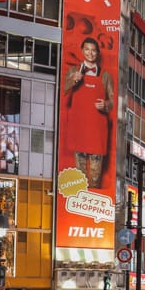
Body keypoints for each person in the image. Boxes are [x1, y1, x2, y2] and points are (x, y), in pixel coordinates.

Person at [61, 36, 114, 189]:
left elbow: (112, 101)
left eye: (93, 50)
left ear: (97, 53)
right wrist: (73, 80)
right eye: (87, 50)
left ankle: (93, 199)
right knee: (80, 172)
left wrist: (105, 104)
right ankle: (81, 199)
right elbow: (63, 91)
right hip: (79, 128)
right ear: (82, 51)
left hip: (97, 129)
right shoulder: (73, 70)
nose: (90, 53)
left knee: (96, 173)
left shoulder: (105, 76)